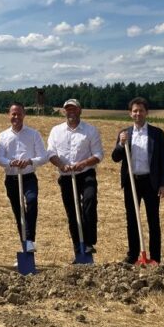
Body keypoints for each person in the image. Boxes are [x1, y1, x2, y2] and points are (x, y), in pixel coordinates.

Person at [111, 97, 164, 264]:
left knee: (153, 221)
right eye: (135, 111)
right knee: (132, 220)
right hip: (132, 182)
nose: (138, 113)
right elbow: (115, 158)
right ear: (130, 113)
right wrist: (121, 145)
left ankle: (155, 258)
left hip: (151, 183)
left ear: (146, 112)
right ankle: (133, 255)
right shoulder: (125, 134)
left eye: (141, 110)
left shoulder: (157, 133)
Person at [47, 98, 103, 258]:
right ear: (65, 111)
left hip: (86, 174)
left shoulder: (90, 130)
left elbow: (99, 155)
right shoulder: (56, 131)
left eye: (74, 109)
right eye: (68, 109)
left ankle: (89, 242)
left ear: (80, 111)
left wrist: (83, 163)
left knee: (90, 201)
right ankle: (79, 251)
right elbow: (51, 153)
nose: (71, 112)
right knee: (73, 213)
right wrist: (61, 165)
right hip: (66, 176)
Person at [0, 102, 48, 253]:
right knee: (19, 212)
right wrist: (11, 163)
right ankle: (25, 245)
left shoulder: (33, 134)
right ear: (9, 115)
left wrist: (30, 161)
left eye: (19, 114)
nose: (16, 117)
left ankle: (30, 240)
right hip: (11, 179)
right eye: (13, 114)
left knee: (31, 201)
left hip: (28, 177)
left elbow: (43, 157)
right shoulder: (3, 136)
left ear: (24, 115)